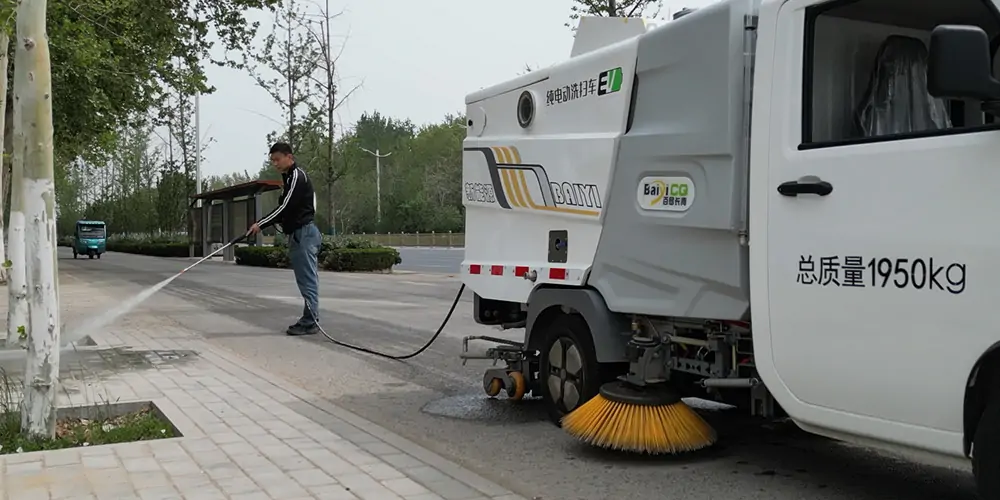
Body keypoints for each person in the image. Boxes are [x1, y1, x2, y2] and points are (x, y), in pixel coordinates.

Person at [248, 142, 321, 336]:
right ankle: (309, 318)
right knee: (305, 279)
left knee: (307, 280)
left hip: (304, 234)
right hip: (298, 234)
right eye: (272, 160)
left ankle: (310, 321)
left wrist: (260, 224)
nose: (275, 164)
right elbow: (284, 211)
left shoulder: (297, 177)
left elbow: (284, 208)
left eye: (277, 159)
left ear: (290, 157)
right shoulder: (289, 179)